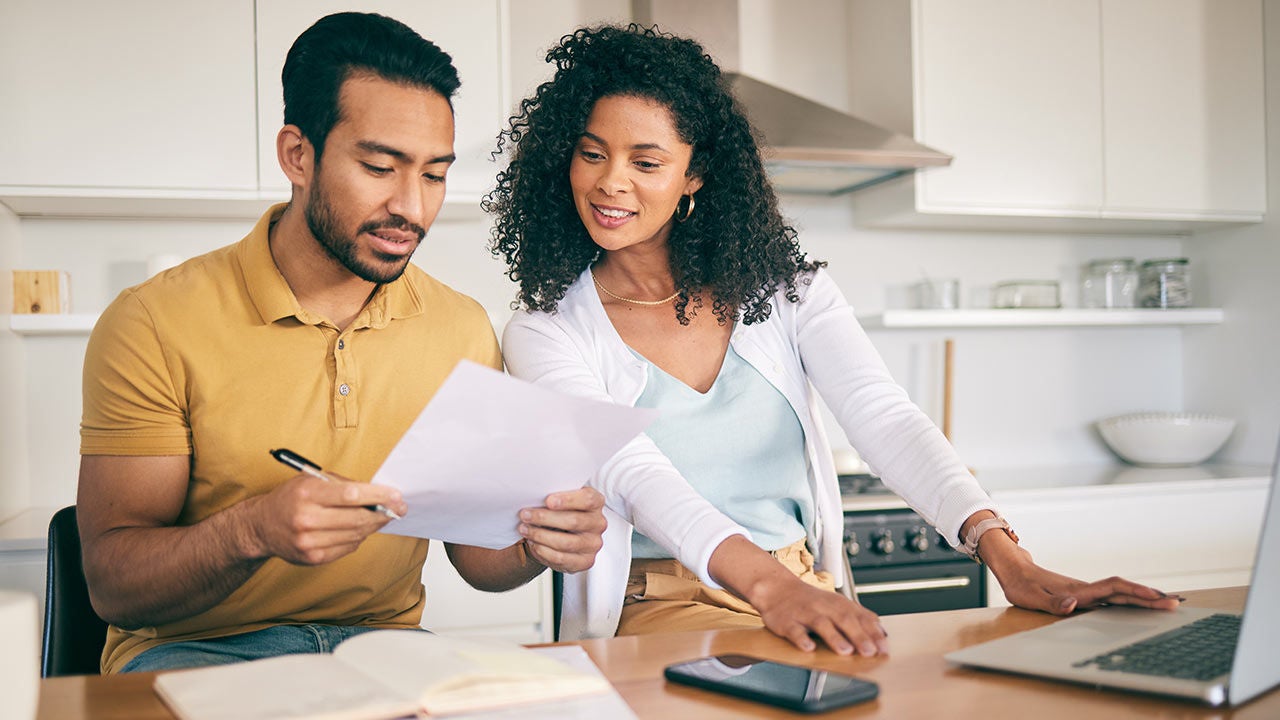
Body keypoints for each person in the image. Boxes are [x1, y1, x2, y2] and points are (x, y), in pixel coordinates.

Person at [486, 24, 1179, 657]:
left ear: (693, 176)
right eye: (592, 154)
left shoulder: (788, 293)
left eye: (646, 162)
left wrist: (1010, 562)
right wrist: (767, 589)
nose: (611, 182)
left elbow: (886, 419)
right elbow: (633, 475)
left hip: (805, 587)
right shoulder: (547, 330)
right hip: (664, 608)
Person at [77, 11, 606, 675]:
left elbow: (478, 561)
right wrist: (251, 531)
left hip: (387, 654)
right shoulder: (154, 321)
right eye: (380, 166)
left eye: (434, 175)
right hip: (195, 654)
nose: (412, 208)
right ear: (298, 155)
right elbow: (113, 586)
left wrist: (540, 541)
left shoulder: (461, 328)